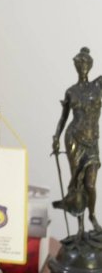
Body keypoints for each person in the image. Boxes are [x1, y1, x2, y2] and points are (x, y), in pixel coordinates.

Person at [52, 46, 102, 238]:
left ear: (91, 65)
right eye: (79, 63)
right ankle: (80, 227)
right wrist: (56, 137)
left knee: (90, 184)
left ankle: (92, 216)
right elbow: (63, 118)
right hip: (74, 139)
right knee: (78, 184)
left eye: (85, 63)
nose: (82, 66)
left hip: (92, 140)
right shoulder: (71, 92)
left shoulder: (98, 87)